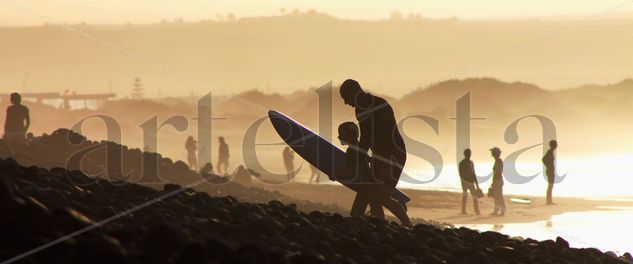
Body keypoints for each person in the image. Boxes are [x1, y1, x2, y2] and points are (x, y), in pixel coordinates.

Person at [340, 79, 412, 227]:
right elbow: (366, 138)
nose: (346, 103)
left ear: (353, 92)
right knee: (373, 197)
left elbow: (386, 135)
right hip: (379, 156)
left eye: (345, 98)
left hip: (394, 154)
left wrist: (383, 162)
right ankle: (380, 226)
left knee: (382, 197)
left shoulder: (380, 104)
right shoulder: (359, 110)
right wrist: (362, 157)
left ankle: (408, 225)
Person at [338, 122, 371, 217]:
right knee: (358, 212)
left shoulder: (351, 151)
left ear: (349, 136)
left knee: (356, 214)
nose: (338, 137)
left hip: (364, 186)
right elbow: (368, 160)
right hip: (369, 184)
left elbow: (350, 172)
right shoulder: (360, 147)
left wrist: (334, 174)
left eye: (341, 134)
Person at [458, 148, 481, 215]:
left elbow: (471, 173)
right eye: (468, 154)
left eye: (469, 154)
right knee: (471, 196)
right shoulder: (466, 163)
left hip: (467, 182)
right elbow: (472, 173)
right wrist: (476, 184)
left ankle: (466, 210)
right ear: (466, 154)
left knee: (468, 196)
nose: (469, 155)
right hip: (469, 182)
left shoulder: (463, 163)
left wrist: (476, 184)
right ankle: (475, 211)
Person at [489, 147, 506, 216]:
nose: (491, 154)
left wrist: (494, 181)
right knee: (497, 196)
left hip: (498, 180)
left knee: (499, 196)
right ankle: (497, 210)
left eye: (492, 152)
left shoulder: (499, 162)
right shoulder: (497, 161)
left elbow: (498, 173)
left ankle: (502, 211)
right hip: (497, 180)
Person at [542, 140, 558, 205]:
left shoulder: (551, 151)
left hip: (550, 170)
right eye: (556, 144)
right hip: (550, 171)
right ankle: (548, 201)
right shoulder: (550, 152)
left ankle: (549, 201)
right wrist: (548, 166)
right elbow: (543, 159)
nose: (557, 145)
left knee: (550, 186)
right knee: (550, 186)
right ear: (553, 145)